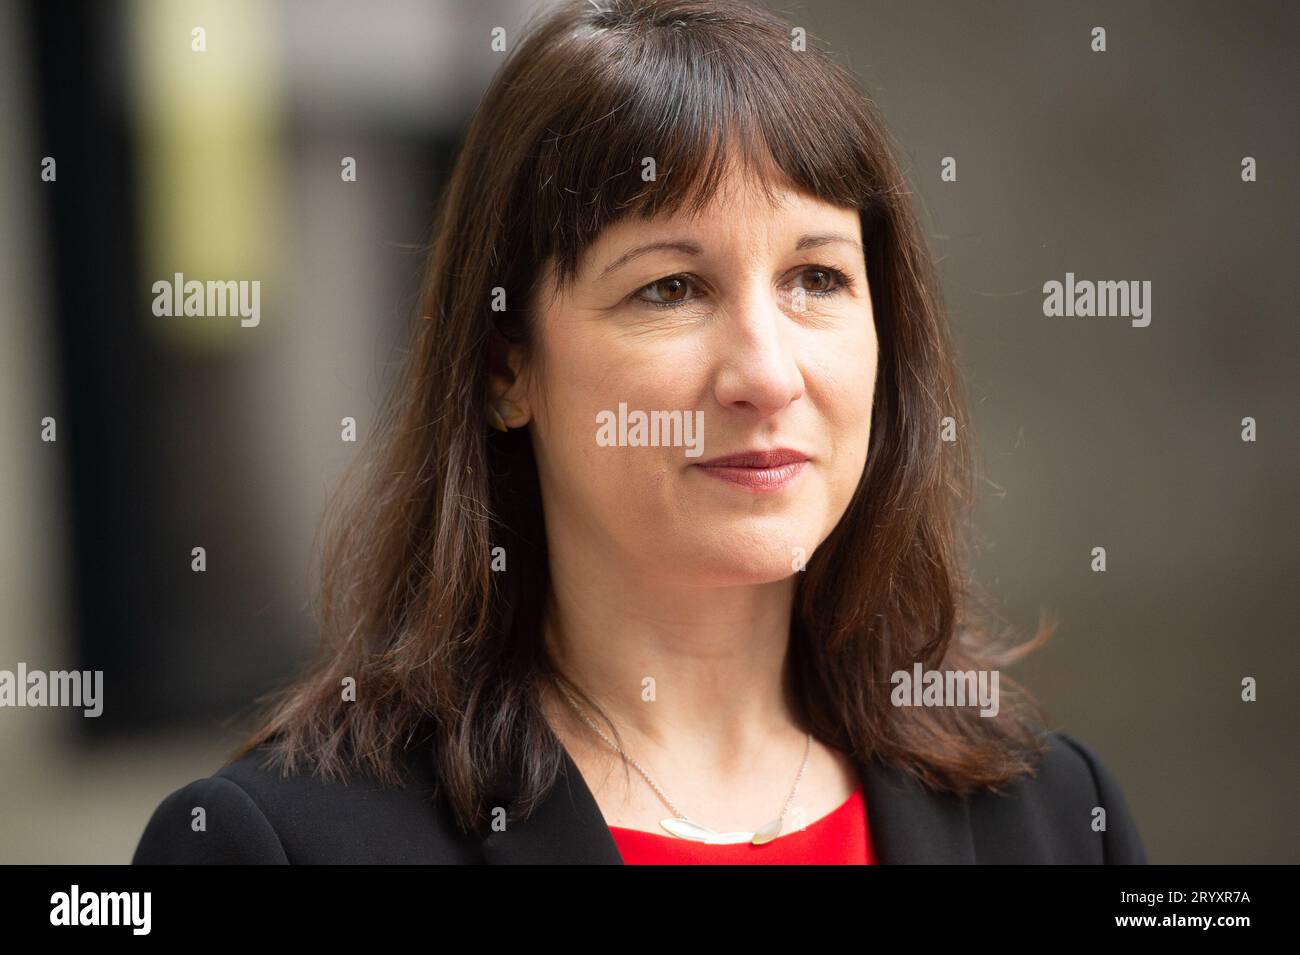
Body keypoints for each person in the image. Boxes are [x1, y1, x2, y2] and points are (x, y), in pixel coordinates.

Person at [133, 0, 1146, 865]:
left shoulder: (1052, 817)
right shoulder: (279, 848)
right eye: (671, 287)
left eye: (817, 278)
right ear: (504, 366)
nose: (765, 372)